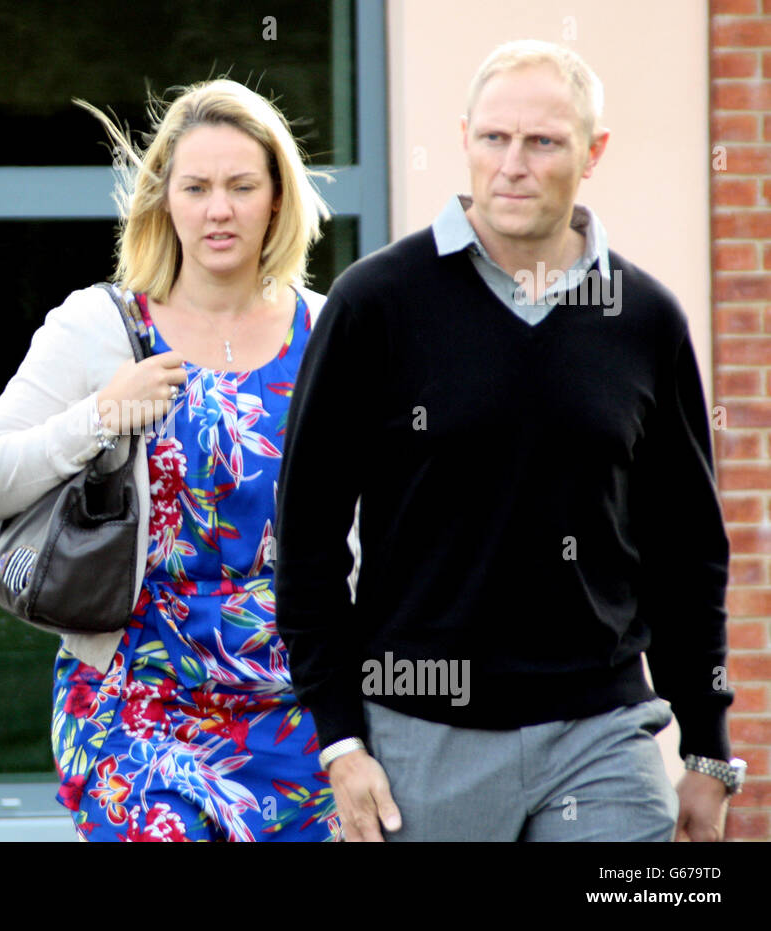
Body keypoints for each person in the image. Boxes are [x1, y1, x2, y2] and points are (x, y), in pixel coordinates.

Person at [277, 40, 742, 842]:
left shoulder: (644, 319)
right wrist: (341, 740)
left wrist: (707, 746)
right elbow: (308, 537)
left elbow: (688, 548)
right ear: (464, 138)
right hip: (423, 737)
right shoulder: (376, 305)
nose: (513, 164)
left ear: (593, 154)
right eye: (494, 138)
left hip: (602, 730)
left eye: (543, 141)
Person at [0, 79, 339, 841]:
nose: (218, 209)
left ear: (277, 199)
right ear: (165, 200)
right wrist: (99, 416)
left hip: (296, 710)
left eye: (241, 186)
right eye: (196, 187)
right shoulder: (100, 324)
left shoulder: (326, 329)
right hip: (135, 705)